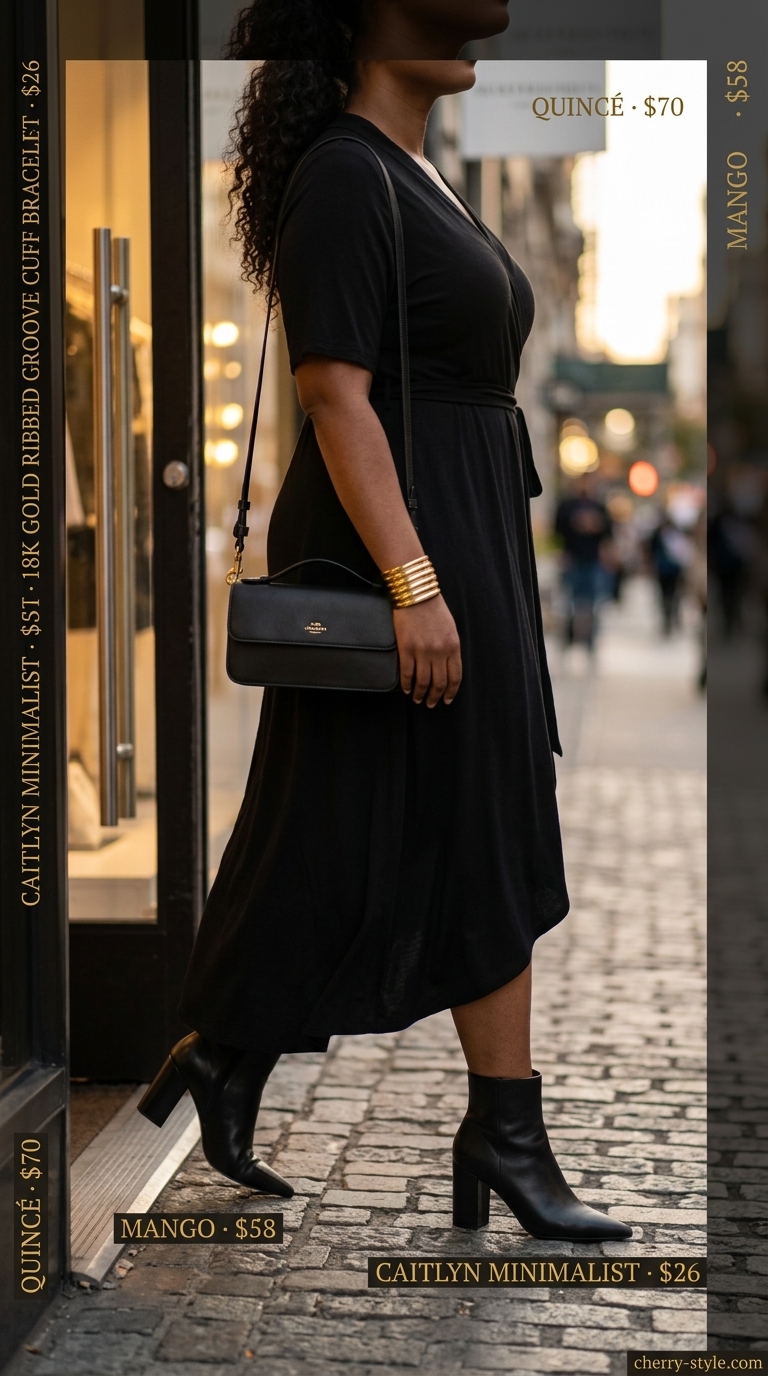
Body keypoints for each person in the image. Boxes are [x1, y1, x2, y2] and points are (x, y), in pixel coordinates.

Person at [138, 0, 631, 1242]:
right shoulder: (349, 175)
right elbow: (333, 393)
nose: (474, 41)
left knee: (355, 813)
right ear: (363, 26)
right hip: (410, 539)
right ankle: (505, 1132)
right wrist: (416, 582)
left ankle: (230, 1057)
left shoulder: (418, 173)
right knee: (472, 814)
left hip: (470, 527)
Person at [554, 474, 613, 651]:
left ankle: (590, 645)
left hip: (593, 562)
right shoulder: (567, 506)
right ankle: (567, 642)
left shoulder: (599, 507)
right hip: (573, 561)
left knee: (593, 606)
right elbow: (557, 530)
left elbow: (608, 533)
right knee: (568, 605)